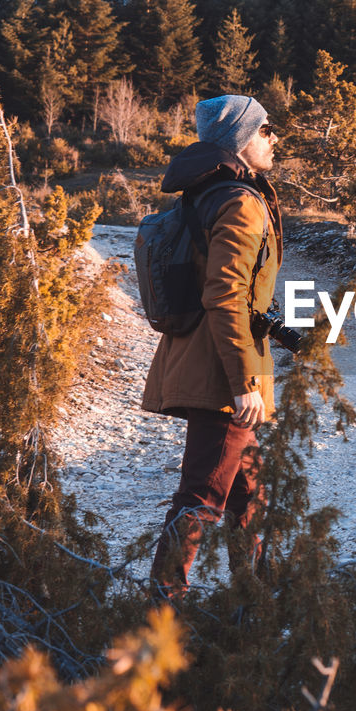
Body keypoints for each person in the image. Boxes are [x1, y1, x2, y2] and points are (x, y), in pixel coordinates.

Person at [142, 93, 281, 598]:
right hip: (222, 372)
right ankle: (161, 620)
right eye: (266, 129)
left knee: (249, 496)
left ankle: (256, 601)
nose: (274, 138)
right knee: (201, 496)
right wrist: (244, 383)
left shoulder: (207, 192)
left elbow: (237, 293)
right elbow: (224, 297)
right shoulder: (240, 202)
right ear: (242, 139)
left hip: (215, 360)